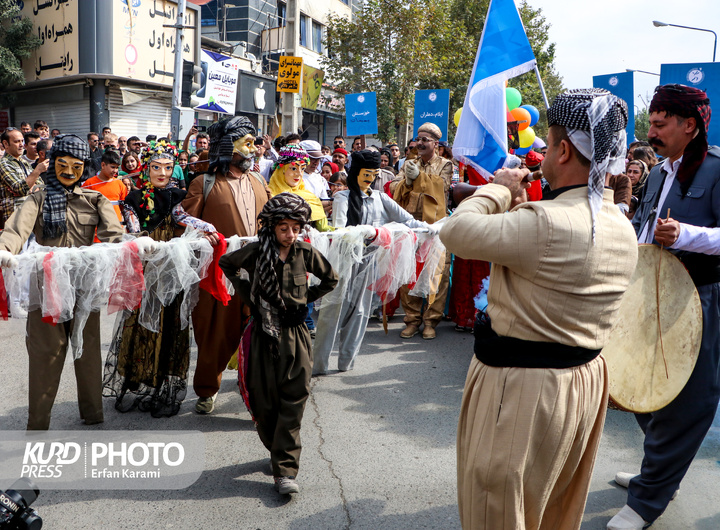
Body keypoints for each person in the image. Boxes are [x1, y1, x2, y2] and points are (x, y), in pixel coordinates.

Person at [441, 88, 638, 530]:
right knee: (549, 505)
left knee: (497, 507)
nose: (542, 153)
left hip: (522, 390)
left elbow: (456, 232)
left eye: (548, 146)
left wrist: (496, 190)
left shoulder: (546, 222)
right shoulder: (619, 223)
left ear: (564, 149)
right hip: (580, 387)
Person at [608, 84, 720, 530]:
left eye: (660, 124)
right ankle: (660, 473)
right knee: (638, 385)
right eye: (650, 123)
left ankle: (647, 498)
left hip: (701, 298)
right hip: (648, 294)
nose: (650, 131)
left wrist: (689, 235)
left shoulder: (715, 170)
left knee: (687, 402)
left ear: (689, 125)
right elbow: (644, 228)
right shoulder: (655, 173)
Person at [0, 134, 129, 430]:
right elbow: (16, 229)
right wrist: (5, 250)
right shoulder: (38, 198)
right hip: (47, 286)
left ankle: (93, 414)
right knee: (45, 353)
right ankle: (38, 422)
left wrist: (135, 246)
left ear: (85, 167)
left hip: (86, 285)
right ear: (52, 163)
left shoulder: (95, 200)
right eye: (62, 164)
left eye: (77, 165)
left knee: (87, 351)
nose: (69, 171)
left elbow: (115, 236)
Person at [219, 193, 337, 495]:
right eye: (283, 228)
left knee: (295, 397)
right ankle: (276, 448)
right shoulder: (255, 252)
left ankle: (284, 470)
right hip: (262, 333)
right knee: (264, 399)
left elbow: (330, 280)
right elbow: (227, 264)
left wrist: (305, 300)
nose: (290, 234)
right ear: (271, 227)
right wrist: (248, 296)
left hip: (295, 334)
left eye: (295, 228)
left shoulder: (305, 252)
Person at [103, 141, 217, 418]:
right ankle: (141, 378)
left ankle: (162, 380)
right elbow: (131, 227)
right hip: (146, 267)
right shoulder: (133, 197)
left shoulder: (178, 195)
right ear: (147, 168)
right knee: (142, 322)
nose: (162, 172)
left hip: (171, 269)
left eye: (168, 167)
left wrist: (208, 228)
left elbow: (183, 217)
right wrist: (139, 237)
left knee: (169, 324)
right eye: (156, 167)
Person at [183, 115, 271, 414]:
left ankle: (255, 387)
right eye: (247, 144)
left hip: (259, 271)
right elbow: (183, 220)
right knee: (215, 334)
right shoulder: (204, 183)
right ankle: (207, 389)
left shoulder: (259, 180)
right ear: (227, 147)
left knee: (261, 331)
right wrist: (203, 232)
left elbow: (271, 216)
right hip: (220, 275)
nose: (254, 149)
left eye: (254, 144)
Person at [313, 150, 431, 375]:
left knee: (360, 313)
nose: (370, 179)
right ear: (356, 172)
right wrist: (368, 233)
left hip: (370, 265)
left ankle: (345, 364)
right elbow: (340, 231)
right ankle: (319, 365)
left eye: (374, 175)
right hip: (344, 262)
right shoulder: (342, 198)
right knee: (333, 312)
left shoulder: (381, 198)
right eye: (366, 174)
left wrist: (431, 228)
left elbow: (408, 221)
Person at [393, 122, 453, 340]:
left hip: (435, 228)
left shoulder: (446, 164)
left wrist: (418, 177)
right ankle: (411, 319)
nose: (419, 143)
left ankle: (430, 321)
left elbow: (442, 187)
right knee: (408, 271)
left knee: (437, 272)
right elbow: (393, 187)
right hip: (410, 225)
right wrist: (407, 181)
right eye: (418, 139)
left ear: (435, 144)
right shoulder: (408, 163)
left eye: (425, 140)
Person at [0, 128, 48, 228]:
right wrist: (37, 171)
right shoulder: (3, 164)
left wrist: (29, 185)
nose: (21, 144)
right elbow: (19, 188)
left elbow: (41, 187)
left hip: (33, 216)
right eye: (17, 141)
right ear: (5, 144)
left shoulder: (24, 163)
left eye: (22, 141)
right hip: (16, 221)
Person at [81, 149, 127, 228]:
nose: (115, 171)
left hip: (116, 229)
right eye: (112, 167)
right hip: (95, 231)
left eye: (117, 168)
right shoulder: (89, 184)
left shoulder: (120, 184)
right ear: (103, 165)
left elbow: (124, 208)